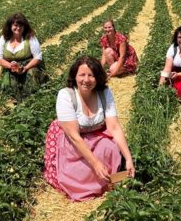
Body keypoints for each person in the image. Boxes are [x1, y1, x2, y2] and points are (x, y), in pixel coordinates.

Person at [44, 56, 135, 201]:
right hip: (73, 140)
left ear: (98, 77)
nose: (86, 80)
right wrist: (95, 163)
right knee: (82, 168)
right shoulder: (66, 95)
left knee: (109, 148)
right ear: (75, 76)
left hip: (95, 134)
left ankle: (104, 179)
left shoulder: (104, 93)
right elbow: (74, 136)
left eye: (91, 75)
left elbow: (114, 127)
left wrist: (129, 158)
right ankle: (85, 184)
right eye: (82, 75)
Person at [0, 12, 47, 98]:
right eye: (15, 25)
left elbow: (38, 57)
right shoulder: (4, 38)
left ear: (24, 27)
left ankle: (32, 96)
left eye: (21, 26)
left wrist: (25, 68)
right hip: (11, 67)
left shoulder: (30, 37)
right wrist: (11, 66)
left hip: (29, 67)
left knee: (31, 82)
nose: (18, 28)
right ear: (10, 26)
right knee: (8, 88)